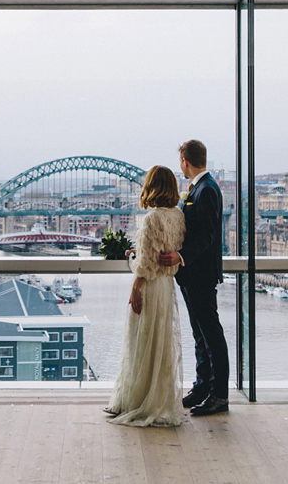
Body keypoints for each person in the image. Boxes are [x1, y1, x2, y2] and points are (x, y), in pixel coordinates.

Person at [104, 165, 186, 427]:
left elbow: (147, 264)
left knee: (140, 343)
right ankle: (158, 400)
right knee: (160, 346)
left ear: (151, 186)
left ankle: (135, 402)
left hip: (149, 288)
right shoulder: (177, 216)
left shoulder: (151, 218)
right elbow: (166, 258)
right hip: (166, 287)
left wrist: (134, 284)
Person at [159, 139, 230, 416]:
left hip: (200, 274)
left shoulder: (206, 190)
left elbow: (208, 235)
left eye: (180, 161)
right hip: (192, 275)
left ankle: (219, 395)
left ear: (185, 162)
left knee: (211, 334)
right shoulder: (201, 187)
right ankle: (202, 387)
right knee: (200, 335)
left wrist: (180, 256)